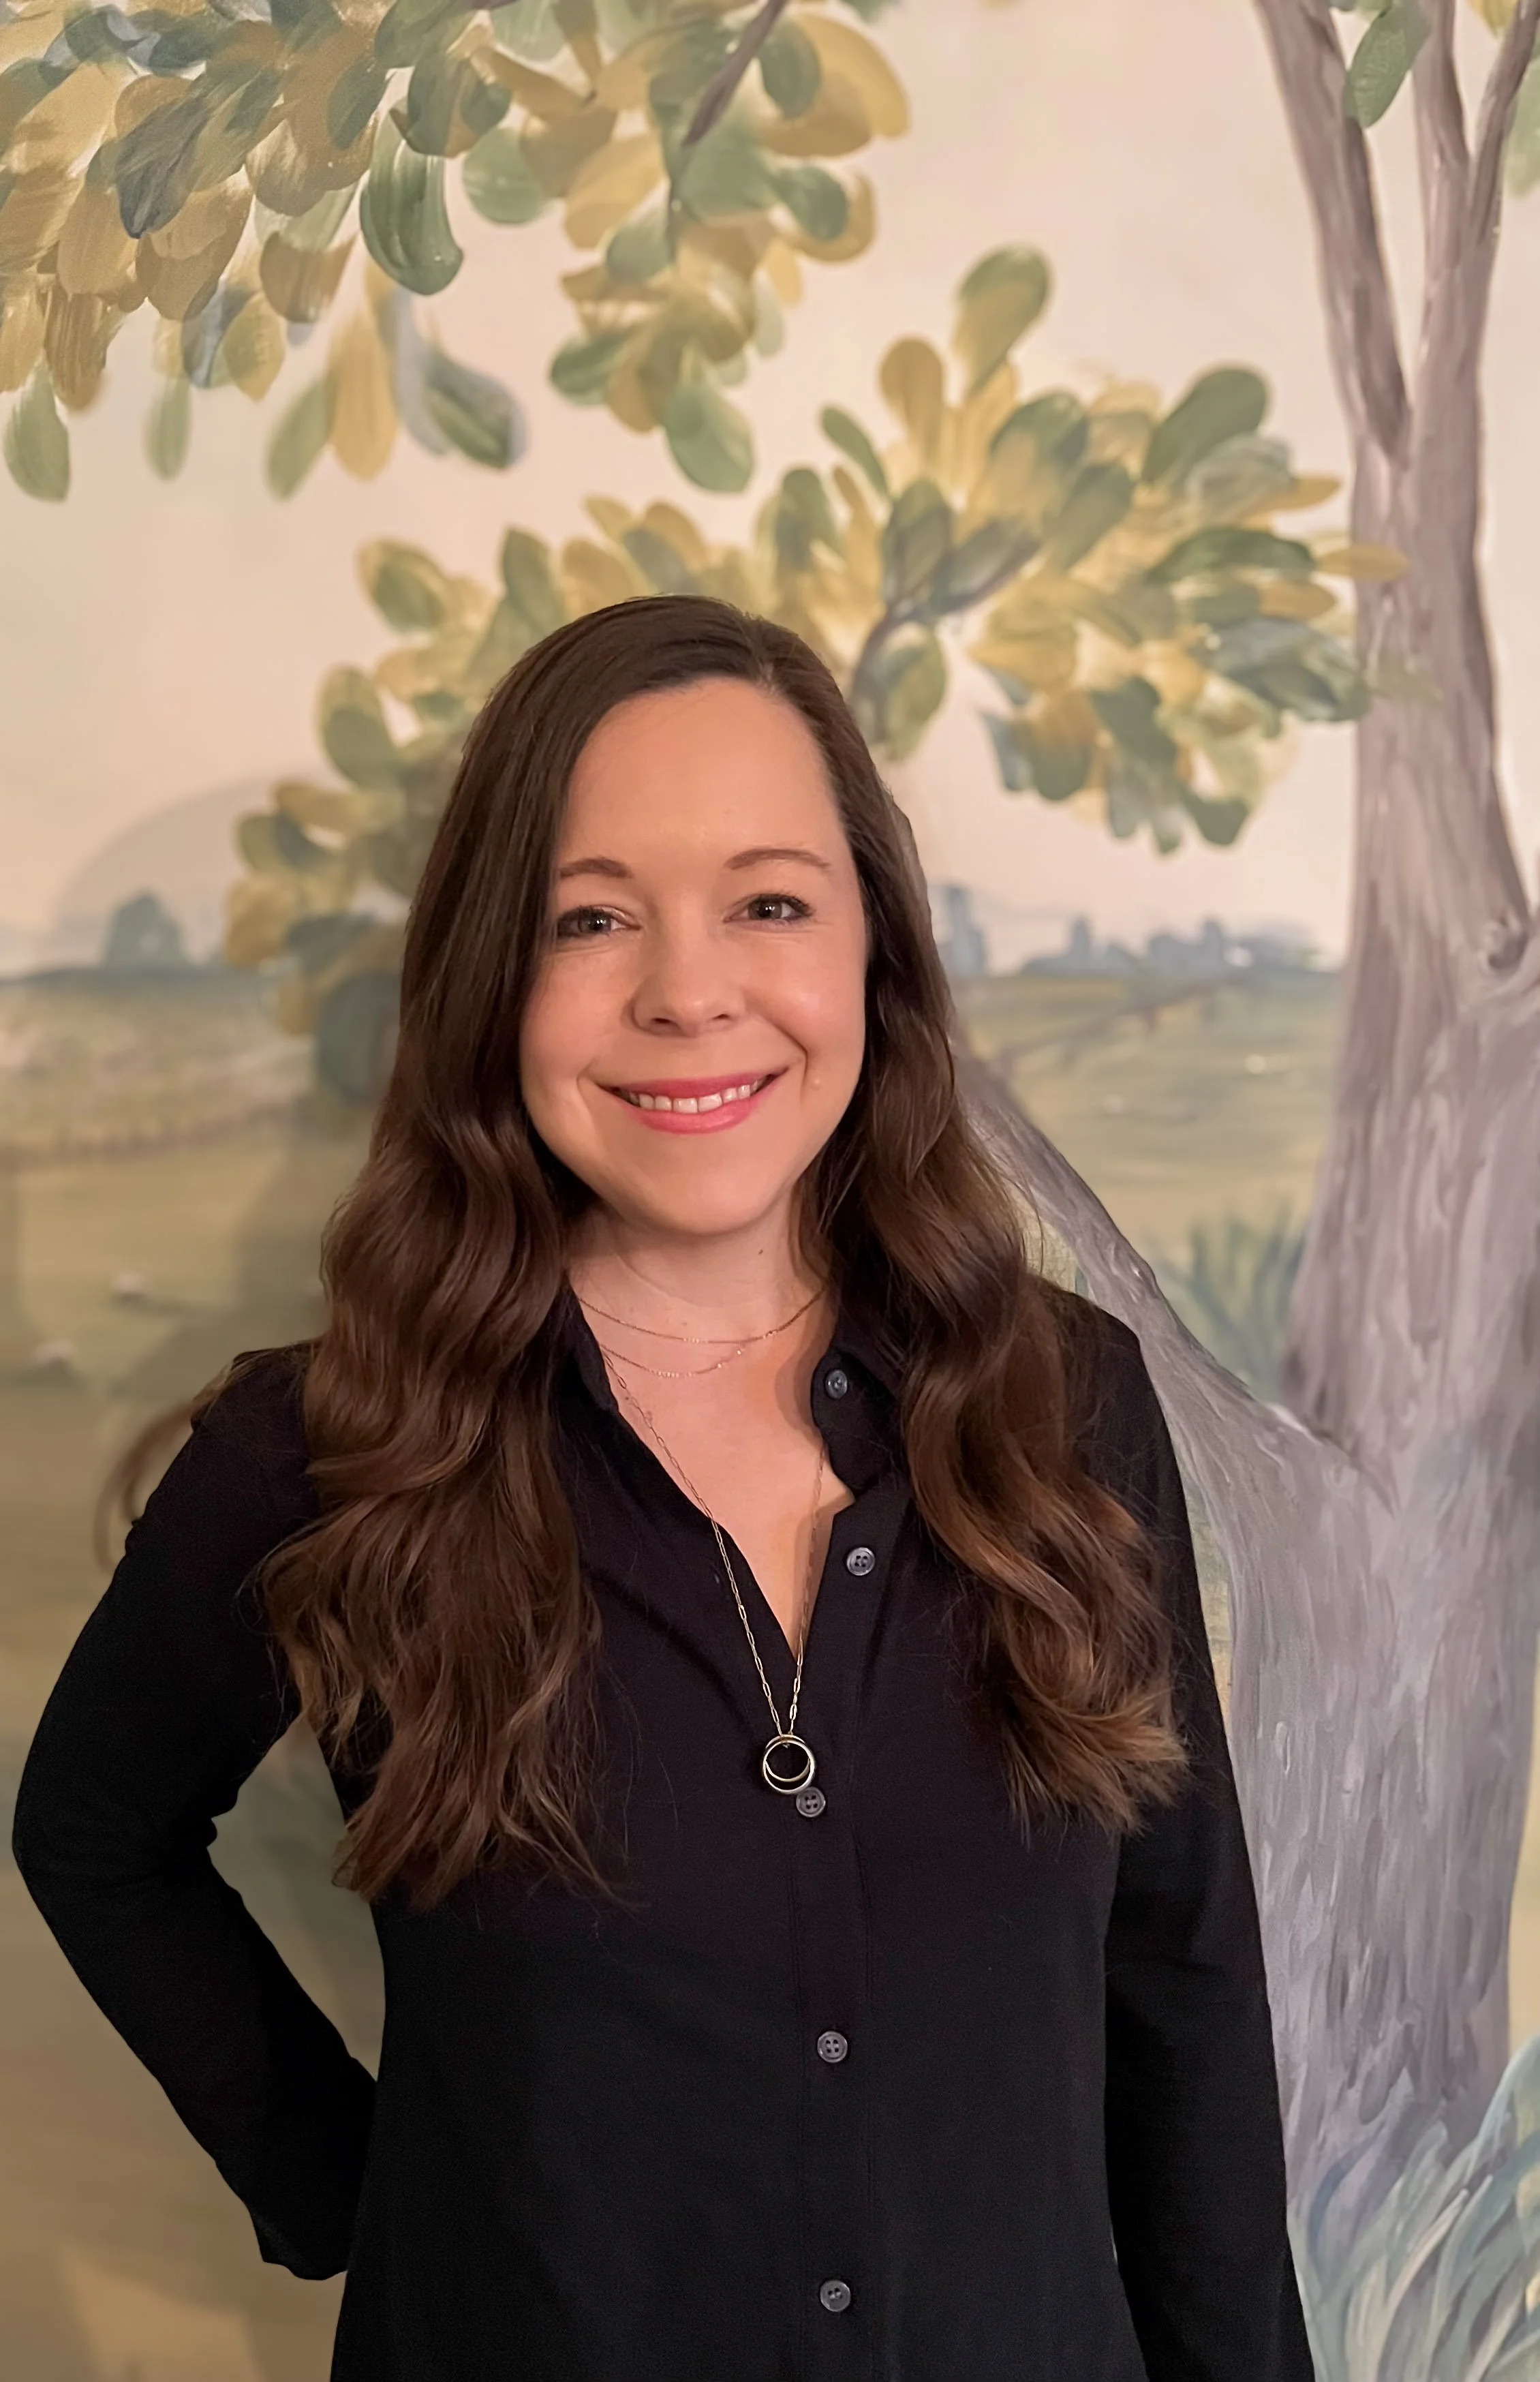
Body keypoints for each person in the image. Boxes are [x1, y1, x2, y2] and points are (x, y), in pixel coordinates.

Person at [12, 594, 1314, 2381]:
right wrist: (344, 2180)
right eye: (591, 915)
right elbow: (90, 1830)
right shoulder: (327, 1454)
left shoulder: (1063, 1403)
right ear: (493, 975)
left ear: (872, 944)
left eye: (769, 901)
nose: (688, 989)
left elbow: (1181, 1976)